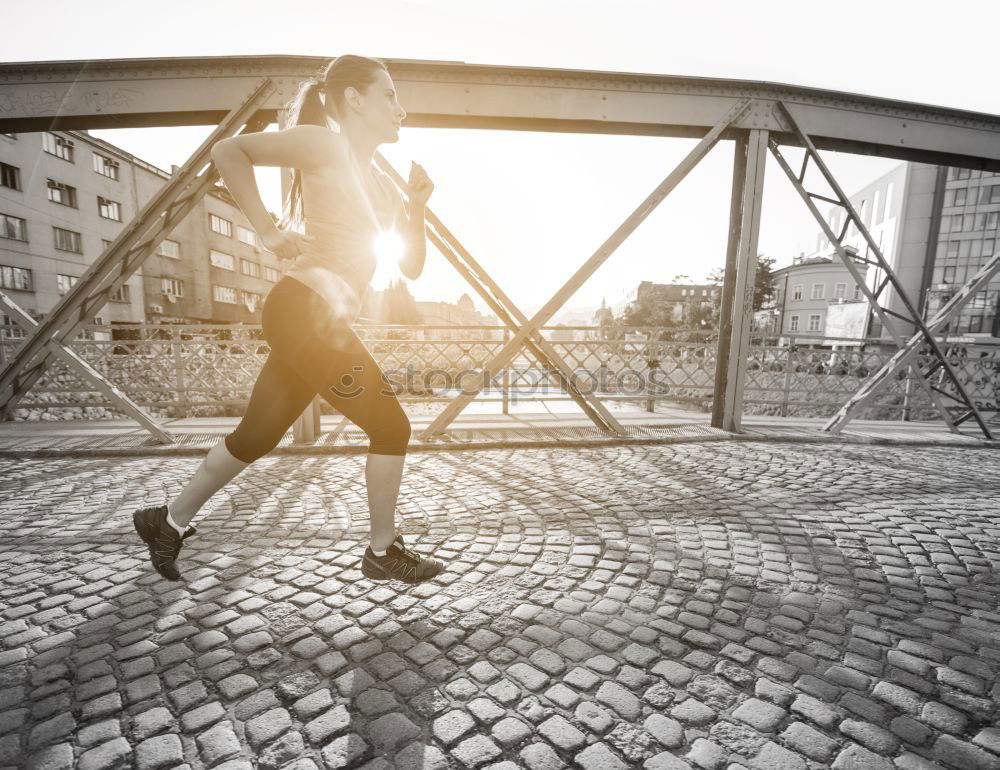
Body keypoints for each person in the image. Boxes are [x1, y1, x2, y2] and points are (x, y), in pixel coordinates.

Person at [133, 55, 444, 585]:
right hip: (304, 310)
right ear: (354, 99)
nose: (402, 109)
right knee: (392, 424)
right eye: (389, 95)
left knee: (256, 435)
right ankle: (382, 550)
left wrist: (414, 208)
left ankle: (167, 521)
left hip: (314, 319)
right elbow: (229, 151)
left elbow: (410, 268)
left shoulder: (383, 187)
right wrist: (268, 231)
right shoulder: (326, 144)